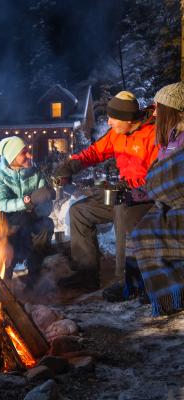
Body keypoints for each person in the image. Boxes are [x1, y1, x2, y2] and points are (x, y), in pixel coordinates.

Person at [55, 91, 158, 289]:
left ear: (128, 119)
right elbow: (94, 152)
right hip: (124, 193)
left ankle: (124, 280)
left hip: (147, 200)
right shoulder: (117, 134)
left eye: (113, 118)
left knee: (121, 210)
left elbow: (160, 176)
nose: (109, 122)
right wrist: (70, 166)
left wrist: (134, 190)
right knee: (79, 212)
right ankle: (87, 275)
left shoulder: (152, 136)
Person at [130, 82, 184, 315]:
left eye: (158, 108)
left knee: (142, 229)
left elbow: (174, 175)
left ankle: (169, 293)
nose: (154, 113)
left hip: (176, 203)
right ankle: (144, 286)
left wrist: (149, 188)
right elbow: (160, 173)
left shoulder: (181, 138)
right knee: (133, 222)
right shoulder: (171, 136)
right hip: (165, 199)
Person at [0, 136, 55, 281]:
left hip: (30, 219)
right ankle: (4, 284)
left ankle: (34, 279)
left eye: (28, 151)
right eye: (23, 153)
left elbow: (46, 208)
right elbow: (0, 203)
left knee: (46, 225)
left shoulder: (35, 173)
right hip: (7, 223)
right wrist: (28, 201)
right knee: (12, 231)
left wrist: (45, 199)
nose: (29, 155)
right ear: (12, 156)